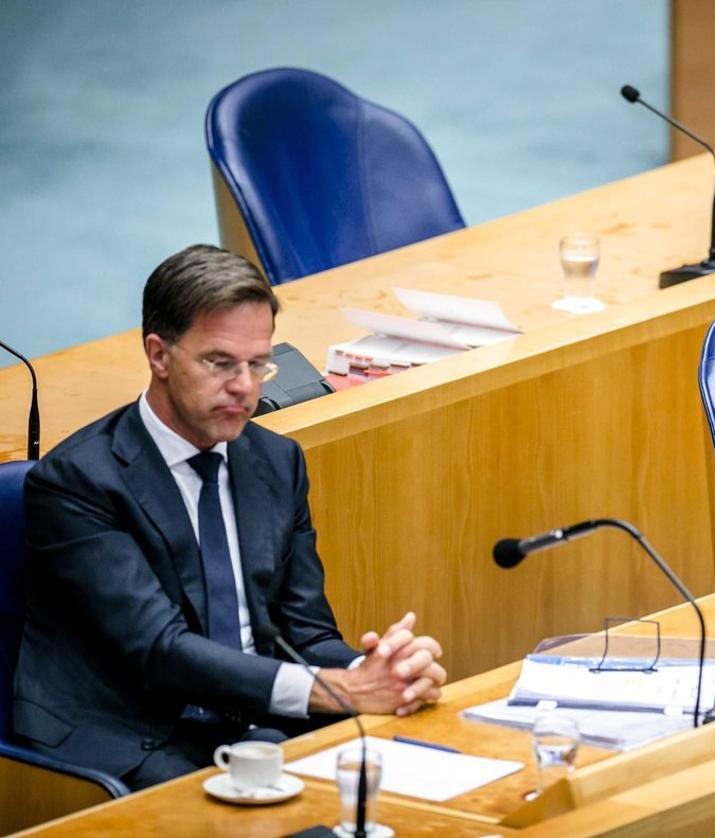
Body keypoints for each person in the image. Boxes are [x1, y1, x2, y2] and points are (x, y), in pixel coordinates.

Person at [14, 245, 446, 789]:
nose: (245, 386)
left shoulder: (276, 461)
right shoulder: (80, 480)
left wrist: (377, 674)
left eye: (257, 363)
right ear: (159, 355)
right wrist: (339, 691)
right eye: (220, 363)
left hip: (254, 715)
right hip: (138, 727)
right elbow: (159, 652)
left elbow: (306, 633)